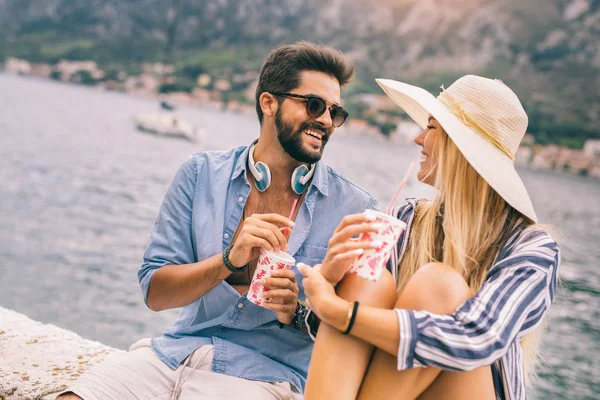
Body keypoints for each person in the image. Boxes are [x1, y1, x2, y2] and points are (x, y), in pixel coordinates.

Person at [58, 41, 378, 400]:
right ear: (268, 102)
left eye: (335, 112)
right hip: (174, 354)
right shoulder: (199, 174)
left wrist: (298, 311)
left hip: (265, 378)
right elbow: (155, 293)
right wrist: (228, 261)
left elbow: (360, 333)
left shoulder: (358, 210)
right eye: (314, 105)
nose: (325, 120)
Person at [298, 75, 560, 400]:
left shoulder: (531, 249)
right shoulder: (409, 221)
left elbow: (475, 339)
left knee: (438, 285)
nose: (418, 138)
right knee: (371, 279)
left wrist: (339, 311)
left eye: (432, 127)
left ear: (461, 147)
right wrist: (331, 281)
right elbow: (338, 334)